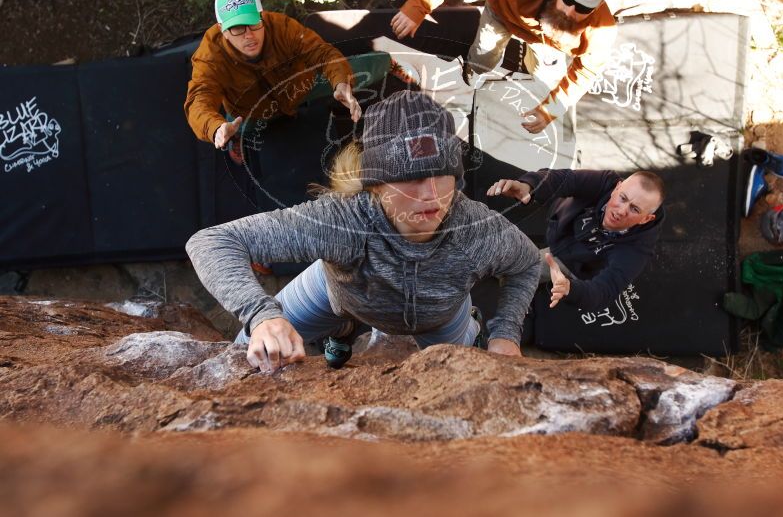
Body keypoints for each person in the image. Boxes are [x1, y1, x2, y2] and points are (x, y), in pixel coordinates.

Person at [186, 91, 541, 374]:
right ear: (376, 184)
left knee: (470, 379)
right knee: (247, 353)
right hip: (339, 293)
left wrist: (506, 334)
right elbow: (212, 241)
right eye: (412, 178)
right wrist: (261, 315)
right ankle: (340, 329)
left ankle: (468, 328)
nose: (431, 194)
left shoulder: (476, 230)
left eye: (441, 175)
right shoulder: (345, 220)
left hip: (440, 316)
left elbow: (526, 263)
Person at [391, 0, 617, 134]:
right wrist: (417, 6)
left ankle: (533, 73)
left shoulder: (601, 30)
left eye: (583, 7)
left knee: (545, 84)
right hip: (502, 15)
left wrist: (552, 109)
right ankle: (471, 76)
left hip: (548, 42)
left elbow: (585, 71)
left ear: (596, 8)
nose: (570, 12)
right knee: (484, 56)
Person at [184, 0, 361, 164]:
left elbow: (322, 53)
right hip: (250, 112)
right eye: (237, 28)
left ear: (262, 16)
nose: (249, 35)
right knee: (232, 126)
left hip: (300, 90)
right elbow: (199, 100)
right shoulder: (210, 56)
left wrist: (341, 83)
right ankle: (234, 137)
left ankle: (387, 64)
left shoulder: (282, 27)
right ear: (223, 30)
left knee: (349, 73)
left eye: (253, 23)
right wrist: (215, 128)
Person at [487, 168, 664, 311]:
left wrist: (570, 289)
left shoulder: (637, 248)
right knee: (492, 259)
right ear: (616, 188)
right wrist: (529, 186)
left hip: (575, 265)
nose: (621, 210)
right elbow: (565, 179)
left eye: (634, 209)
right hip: (560, 230)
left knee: (515, 270)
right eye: (622, 198)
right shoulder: (604, 181)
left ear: (645, 219)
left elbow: (604, 291)